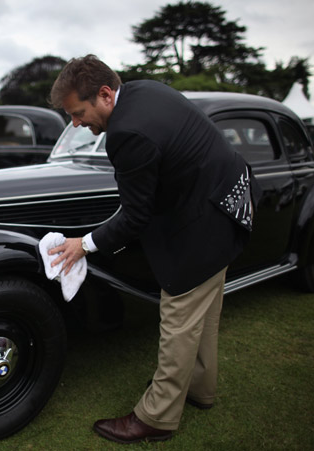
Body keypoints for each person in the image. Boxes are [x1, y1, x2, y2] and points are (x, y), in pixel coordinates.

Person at [48, 55, 259, 444]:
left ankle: (157, 416)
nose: (75, 124)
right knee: (204, 314)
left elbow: (134, 218)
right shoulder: (144, 89)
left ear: (106, 94)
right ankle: (199, 388)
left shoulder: (126, 134)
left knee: (179, 319)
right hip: (228, 206)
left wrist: (84, 244)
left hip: (203, 224)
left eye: (78, 113)